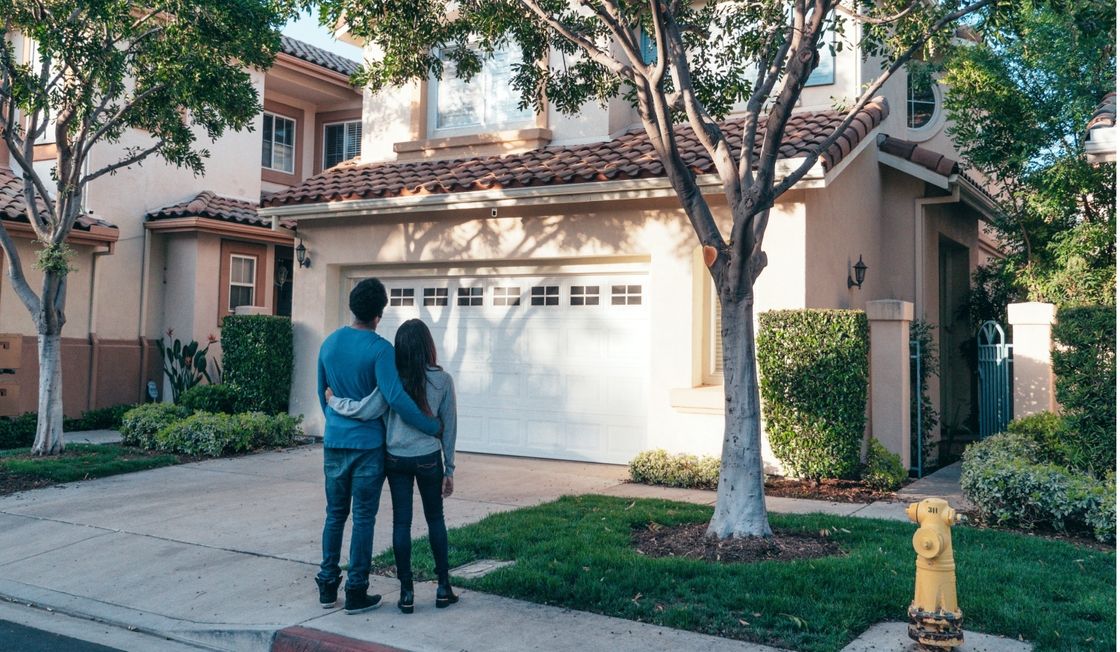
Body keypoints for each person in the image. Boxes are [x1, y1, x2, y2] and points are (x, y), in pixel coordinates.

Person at [316, 280, 442, 615]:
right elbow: (396, 397)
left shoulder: (328, 344)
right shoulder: (381, 349)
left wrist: (337, 425)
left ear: (353, 308)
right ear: (379, 313)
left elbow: (322, 396)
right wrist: (431, 426)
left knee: (334, 514)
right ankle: (356, 591)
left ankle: (328, 585)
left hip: (334, 444)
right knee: (363, 518)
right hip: (369, 447)